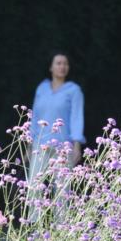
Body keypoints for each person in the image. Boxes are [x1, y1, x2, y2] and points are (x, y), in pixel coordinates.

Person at [26, 53, 85, 221]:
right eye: (58, 63)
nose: (62, 66)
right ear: (51, 67)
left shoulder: (73, 90)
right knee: (34, 186)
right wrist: (30, 144)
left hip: (63, 146)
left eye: (65, 63)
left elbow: (76, 117)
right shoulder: (42, 88)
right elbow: (35, 116)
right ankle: (32, 225)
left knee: (61, 189)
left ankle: (62, 227)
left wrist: (76, 145)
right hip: (40, 145)